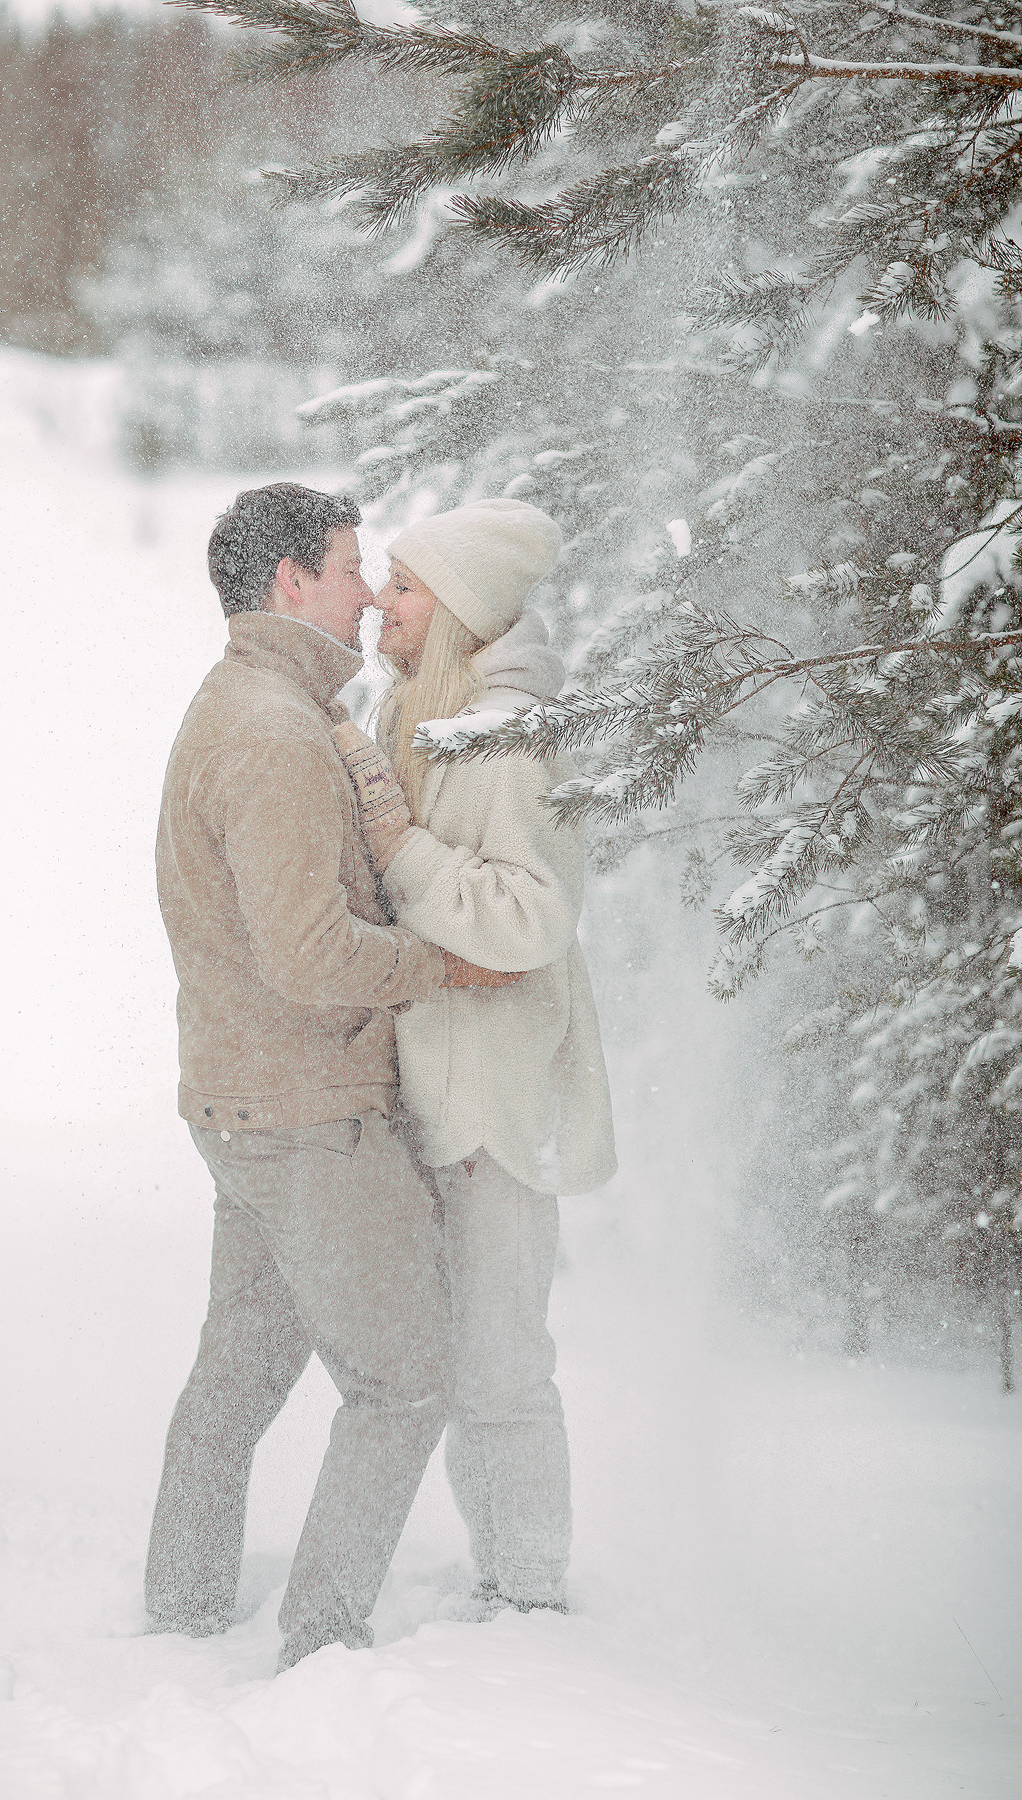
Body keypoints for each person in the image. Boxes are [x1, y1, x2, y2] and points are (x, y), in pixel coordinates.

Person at [146, 482, 515, 1671]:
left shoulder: (255, 707)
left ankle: (184, 1608)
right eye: (352, 567)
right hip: (308, 1114)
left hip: (246, 1106)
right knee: (406, 1381)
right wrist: (443, 967)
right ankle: (323, 1641)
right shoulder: (273, 734)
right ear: (289, 583)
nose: (368, 592)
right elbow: (309, 953)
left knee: (238, 1380)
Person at [333, 496, 617, 1616]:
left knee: (499, 1363)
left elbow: (531, 920)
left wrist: (403, 852)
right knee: (454, 1364)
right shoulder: (412, 710)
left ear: (456, 611)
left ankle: (532, 1593)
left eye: (404, 588)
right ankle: (500, 1570)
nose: (380, 607)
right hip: (425, 1086)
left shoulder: (509, 743)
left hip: (493, 1097)